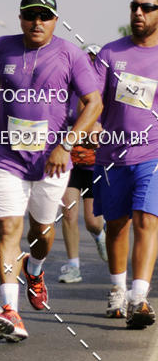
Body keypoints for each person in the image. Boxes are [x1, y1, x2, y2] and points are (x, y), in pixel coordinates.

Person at [0, 0, 102, 342]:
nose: (37, 22)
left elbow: (94, 102)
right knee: (7, 230)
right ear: (20, 18)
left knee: (41, 234)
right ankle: (10, 310)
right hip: (7, 156)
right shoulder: (2, 47)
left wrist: (67, 144)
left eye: (44, 16)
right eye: (31, 15)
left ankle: (36, 267)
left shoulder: (71, 54)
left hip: (52, 161)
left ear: (55, 21)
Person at [93, 0, 158, 329]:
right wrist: (87, 127)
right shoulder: (110, 53)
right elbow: (94, 98)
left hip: (153, 153)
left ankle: (139, 298)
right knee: (116, 226)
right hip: (112, 155)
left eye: (147, 8)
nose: (138, 13)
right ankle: (117, 290)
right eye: (135, 6)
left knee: (147, 219)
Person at [58, 44, 107, 283]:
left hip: (94, 162)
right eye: (85, 59)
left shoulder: (102, 92)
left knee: (92, 221)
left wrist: (101, 132)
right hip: (67, 160)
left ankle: (100, 235)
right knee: (68, 213)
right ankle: (73, 266)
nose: (89, 64)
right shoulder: (66, 89)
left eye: (94, 60)